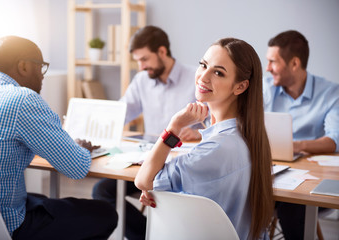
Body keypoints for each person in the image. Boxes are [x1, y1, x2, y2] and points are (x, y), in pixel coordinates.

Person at [0, 36, 118, 239]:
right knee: (104, 213)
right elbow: (76, 167)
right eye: (41, 66)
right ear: (24, 66)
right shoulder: (23, 100)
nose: (42, 75)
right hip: (8, 225)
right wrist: (80, 147)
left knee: (42, 200)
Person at [135, 38, 274, 240]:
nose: (203, 76)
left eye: (218, 72)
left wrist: (174, 126)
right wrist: (164, 197)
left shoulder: (218, 148)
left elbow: (143, 180)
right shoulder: (246, 136)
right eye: (203, 65)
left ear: (240, 86)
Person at [92, 25, 204, 240]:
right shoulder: (142, 80)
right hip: (149, 162)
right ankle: (147, 235)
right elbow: (122, 112)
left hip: (182, 165)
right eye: (138, 61)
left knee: (171, 199)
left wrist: (198, 134)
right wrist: (92, 121)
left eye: (144, 59)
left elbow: (217, 124)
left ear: (162, 52)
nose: (141, 67)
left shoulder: (196, 79)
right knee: (102, 191)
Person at [264, 30, 339, 240]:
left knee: (293, 204)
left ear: (294, 63)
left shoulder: (331, 93)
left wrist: (294, 146)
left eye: (273, 61)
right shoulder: (265, 89)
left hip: (305, 182)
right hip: (269, 172)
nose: (268, 68)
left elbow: (334, 140)